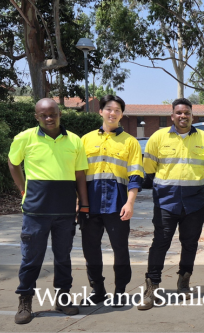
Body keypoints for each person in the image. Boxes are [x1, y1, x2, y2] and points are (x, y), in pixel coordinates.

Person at [8, 98, 89, 324]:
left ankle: (62, 299)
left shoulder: (74, 141)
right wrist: (24, 190)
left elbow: (80, 174)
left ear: (59, 113)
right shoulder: (25, 137)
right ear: (37, 117)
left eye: (52, 114)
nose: (49, 118)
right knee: (31, 259)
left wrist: (83, 204)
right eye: (43, 115)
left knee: (63, 258)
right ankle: (25, 301)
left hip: (64, 212)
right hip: (36, 212)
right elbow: (13, 164)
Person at [138, 98, 204, 310]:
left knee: (190, 243)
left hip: (195, 201)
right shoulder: (158, 137)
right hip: (165, 201)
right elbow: (149, 169)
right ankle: (152, 288)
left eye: (187, 113)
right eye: (179, 113)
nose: (183, 116)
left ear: (192, 116)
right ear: (172, 116)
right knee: (160, 243)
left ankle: (184, 280)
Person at [79, 95, 144, 307]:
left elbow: (135, 176)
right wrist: (78, 202)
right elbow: (77, 174)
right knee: (90, 250)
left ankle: (120, 291)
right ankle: (97, 290)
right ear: (101, 112)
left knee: (120, 249)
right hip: (90, 203)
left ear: (122, 115)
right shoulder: (85, 140)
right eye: (108, 109)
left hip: (118, 204)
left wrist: (130, 203)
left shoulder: (131, 142)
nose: (112, 113)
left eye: (117, 110)